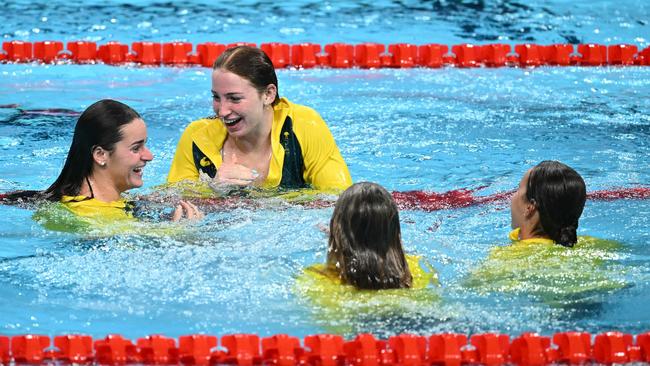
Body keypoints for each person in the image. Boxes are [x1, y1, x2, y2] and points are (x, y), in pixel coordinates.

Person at [167, 45, 352, 192]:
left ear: (269, 94)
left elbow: (338, 199)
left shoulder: (303, 126)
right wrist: (212, 189)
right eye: (216, 97)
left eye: (234, 98)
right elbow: (172, 206)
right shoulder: (198, 138)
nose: (222, 111)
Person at [4, 99, 202, 229]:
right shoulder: (91, 217)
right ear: (100, 155)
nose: (149, 156)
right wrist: (181, 233)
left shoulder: (76, 202)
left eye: (145, 145)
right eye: (136, 148)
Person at [465, 161, 627, 303]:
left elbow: (468, 291)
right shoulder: (593, 245)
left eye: (517, 189)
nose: (511, 198)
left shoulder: (505, 257)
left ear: (530, 207)